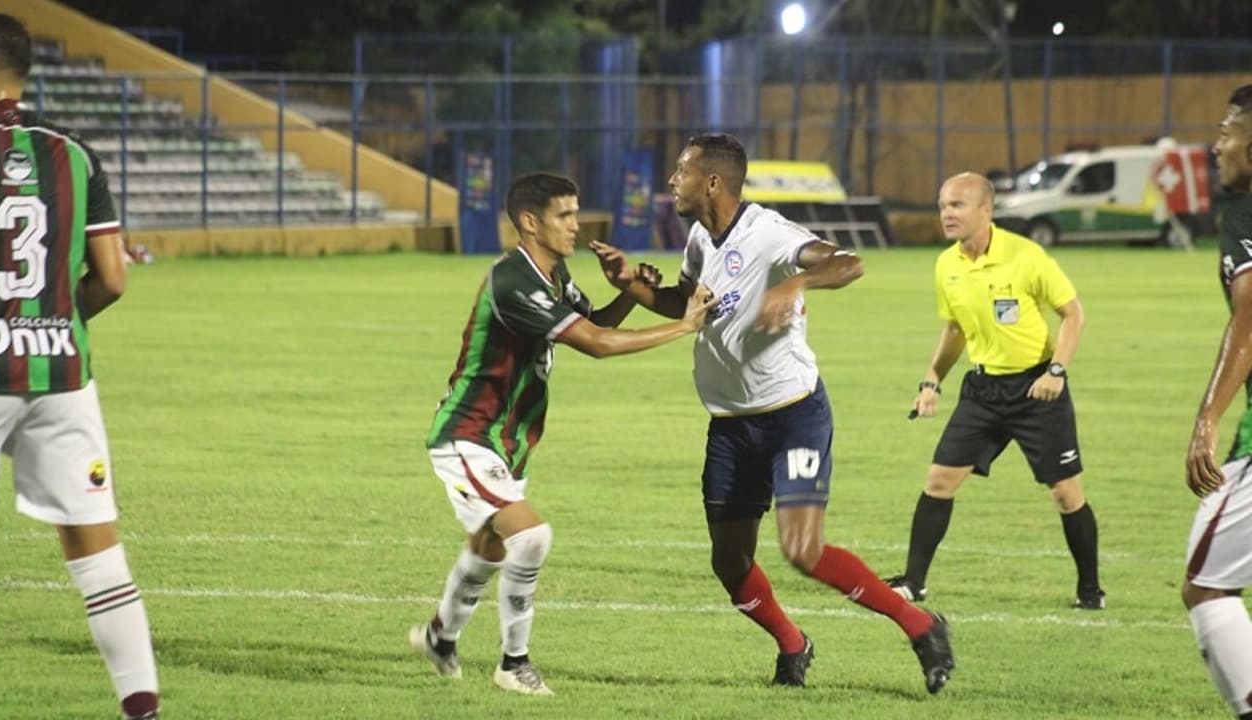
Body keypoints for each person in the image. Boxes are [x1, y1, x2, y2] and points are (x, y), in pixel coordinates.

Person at [590, 133, 955, 694]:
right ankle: (792, 643)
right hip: (731, 427)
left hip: (793, 416)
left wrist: (797, 282)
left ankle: (921, 625)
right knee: (729, 563)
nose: (672, 181)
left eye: (681, 172)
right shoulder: (698, 239)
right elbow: (688, 304)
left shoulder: (768, 232)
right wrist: (635, 288)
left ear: (712, 181)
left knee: (802, 549)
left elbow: (848, 263)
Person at [410, 172, 715, 696]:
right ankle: (514, 664)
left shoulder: (551, 274)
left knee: (489, 546)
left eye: (577, 212)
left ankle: (440, 637)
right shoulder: (514, 280)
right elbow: (594, 342)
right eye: (565, 215)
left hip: (506, 440)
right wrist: (684, 326)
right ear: (530, 222)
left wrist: (631, 292)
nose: (577, 224)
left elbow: (590, 319)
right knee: (531, 537)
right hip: (467, 434)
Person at [0, 13, 159, 720]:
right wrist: (53, 325)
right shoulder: (74, 154)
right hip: (61, 375)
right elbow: (111, 278)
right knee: (96, 552)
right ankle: (142, 708)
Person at [887, 172, 1103, 612]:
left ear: (986, 210)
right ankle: (914, 582)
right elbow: (953, 329)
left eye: (958, 205)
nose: (947, 213)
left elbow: (1073, 314)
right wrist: (931, 382)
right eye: (943, 205)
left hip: (1036, 388)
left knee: (1065, 492)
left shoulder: (1026, 256)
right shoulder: (946, 264)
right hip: (983, 391)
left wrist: (1056, 372)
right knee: (939, 481)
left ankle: (1090, 591)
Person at [1183, 84, 1252, 720]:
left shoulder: (1246, 212)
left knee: (1207, 585)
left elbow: (1251, 315)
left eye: (1228, 131)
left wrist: (1208, 417)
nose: (1216, 143)